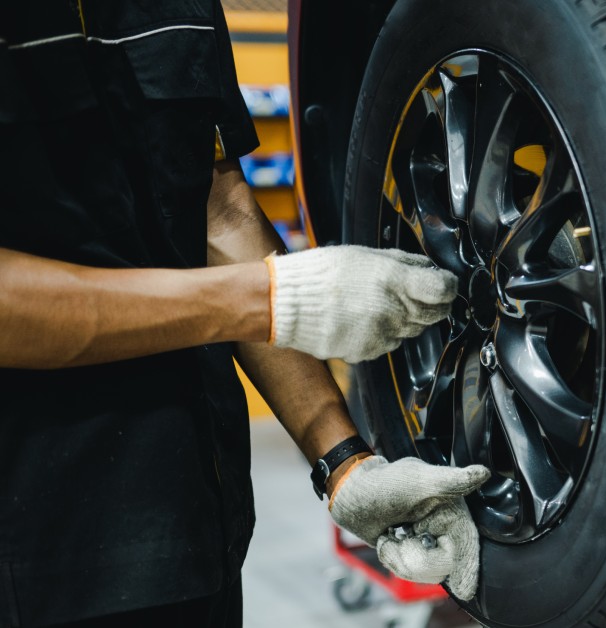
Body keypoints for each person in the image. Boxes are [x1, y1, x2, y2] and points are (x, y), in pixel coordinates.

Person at [0, 2, 484, 626]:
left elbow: (220, 210)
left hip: (197, 539)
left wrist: (344, 462)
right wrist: (272, 298)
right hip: (37, 565)